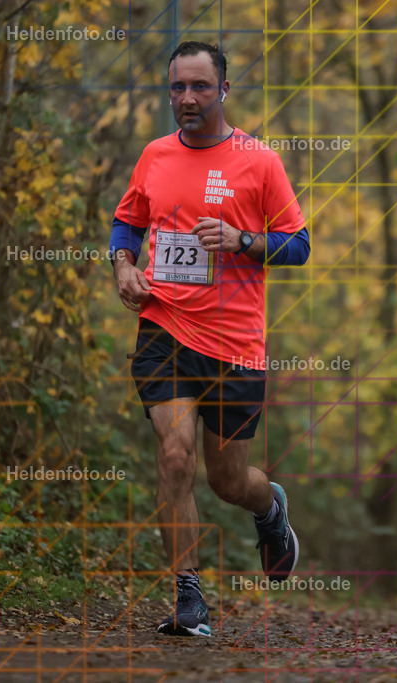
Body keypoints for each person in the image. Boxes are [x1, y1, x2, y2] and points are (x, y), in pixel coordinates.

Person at [109, 41, 311, 637]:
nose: (187, 99)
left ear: (223, 90)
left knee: (228, 481)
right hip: (164, 326)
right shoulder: (154, 155)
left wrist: (243, 239)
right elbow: (128, 219)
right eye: (178, 88)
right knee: (174, 456)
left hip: (234, 347)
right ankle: (187, 597)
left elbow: (298, 246)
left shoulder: (260, 161)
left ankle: (269, 508)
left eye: (200, 86)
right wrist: (124, 266)